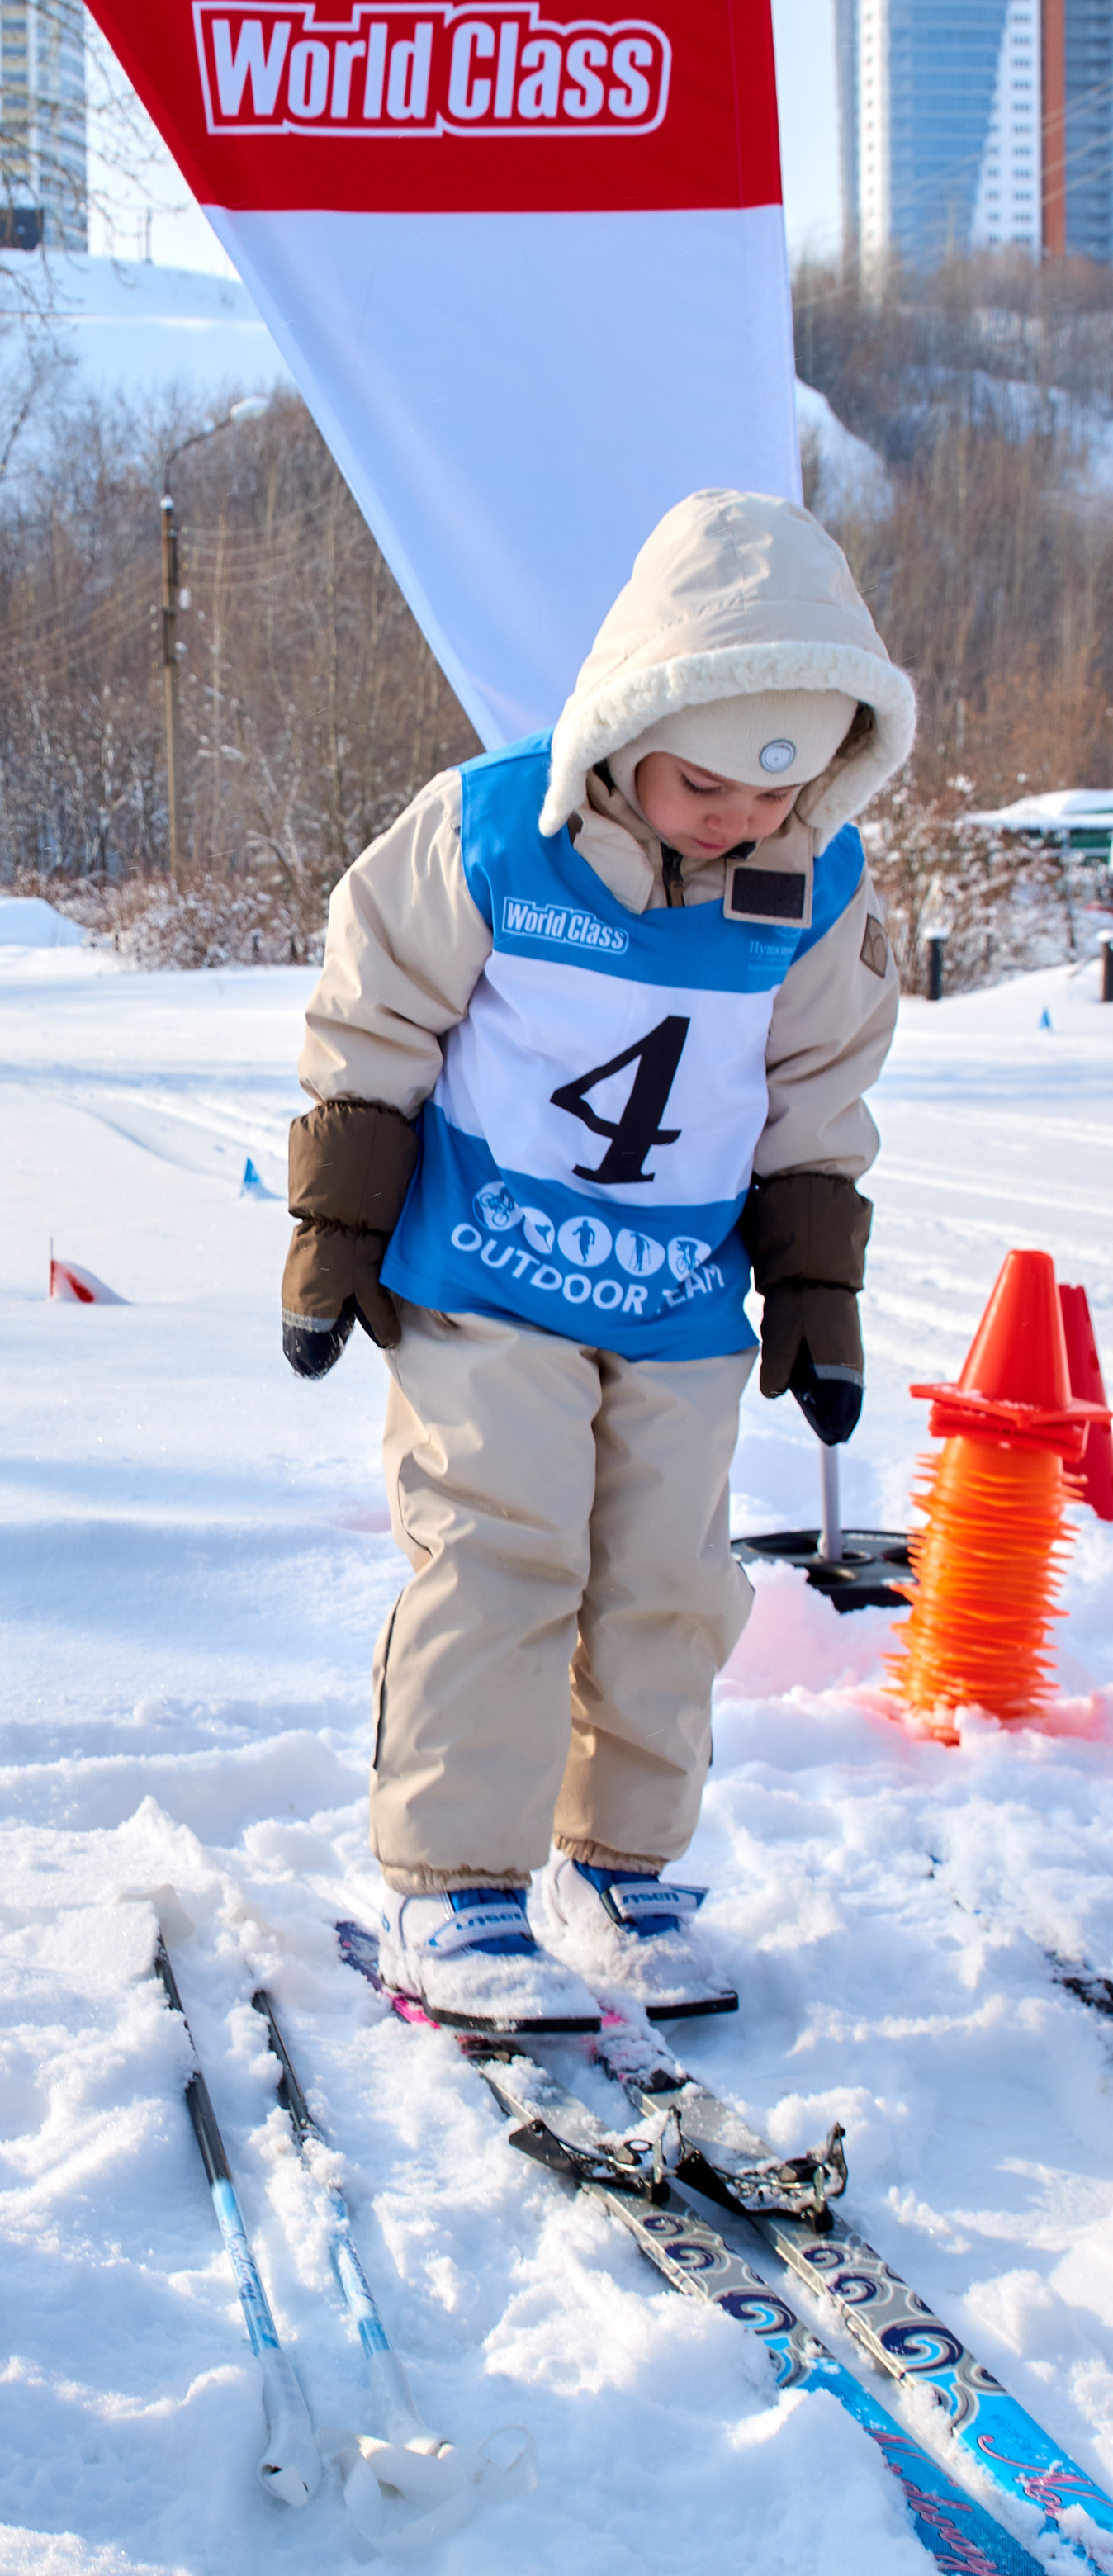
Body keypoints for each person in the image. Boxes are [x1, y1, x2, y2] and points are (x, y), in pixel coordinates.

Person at [283, 490, 915, 2029]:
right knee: (502, 1559)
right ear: (631, 724)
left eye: (778, 793)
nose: (737, 822)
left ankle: (618, 1867)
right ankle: (456, 1888)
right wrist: (333, 1234)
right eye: (705, 784)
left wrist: (817, 1298)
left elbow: (817, 1093)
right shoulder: (493, 832)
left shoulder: (812, 884)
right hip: (486, 1284)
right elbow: (375, 1019)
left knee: (669, 1586)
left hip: (681, 1306)